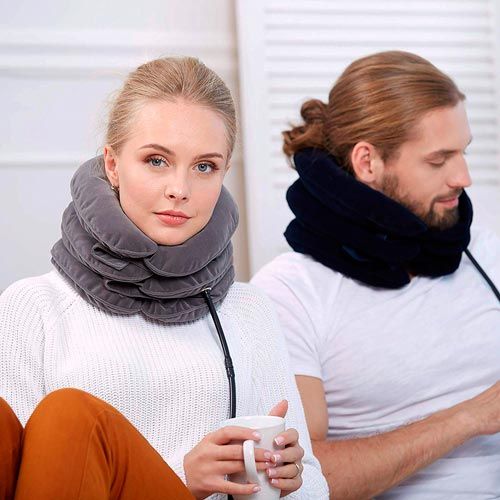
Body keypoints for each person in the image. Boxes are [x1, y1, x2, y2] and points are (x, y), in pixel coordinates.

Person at [0, 56, 329, 500]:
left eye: (204, 166)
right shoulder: (31, 306)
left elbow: (313, 488)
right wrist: (182, 478)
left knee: (68, 414)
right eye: (156, 161)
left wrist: (287, 480)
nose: (180, 189)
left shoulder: (249, 311)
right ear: (112, 165)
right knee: (44, 420)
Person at [252, 50, 500, 499]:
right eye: (439, 160)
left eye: (463, 152)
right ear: (368, 162)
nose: (463, 177)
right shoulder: (289, 292)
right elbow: (298, 478)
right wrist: (470, 418)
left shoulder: (487, 253)